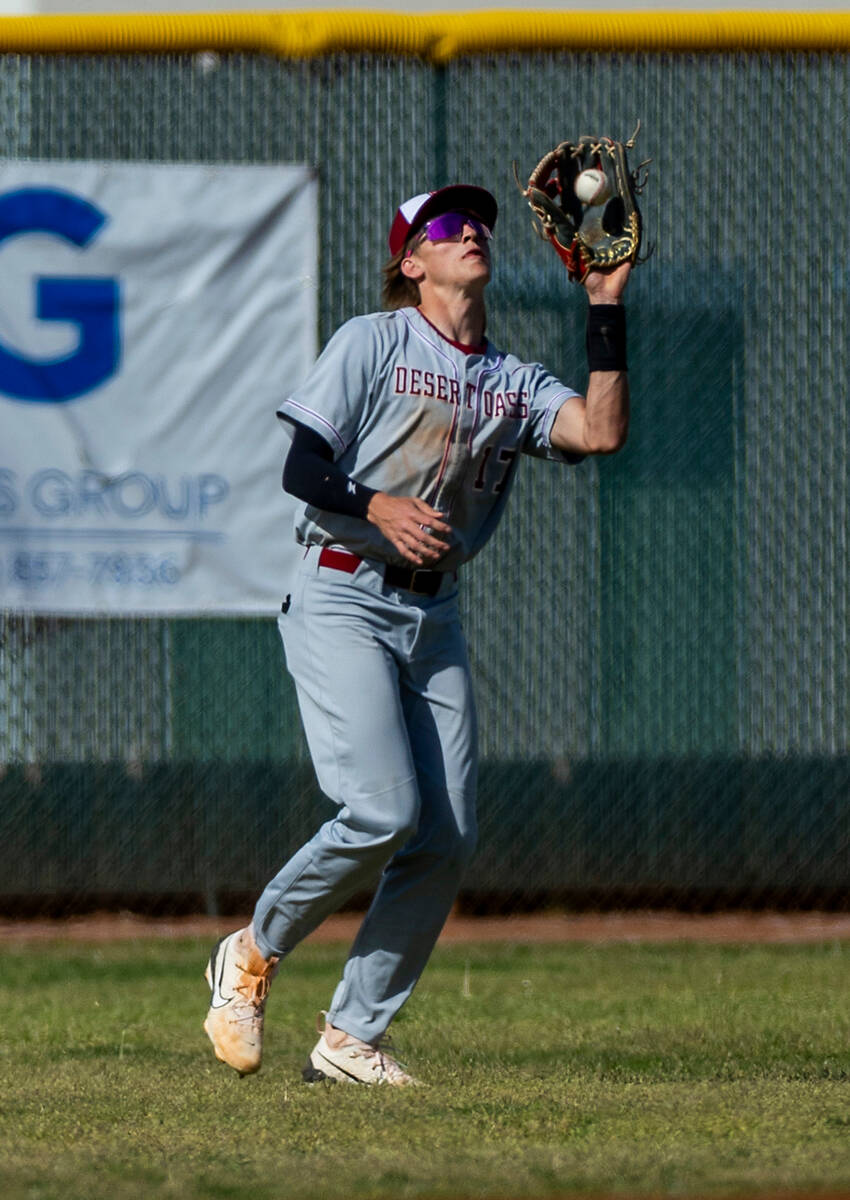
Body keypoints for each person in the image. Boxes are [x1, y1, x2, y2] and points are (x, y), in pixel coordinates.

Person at [203, 184, 630, 1086]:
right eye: (446, 226)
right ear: (413, 262)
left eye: (478, 223)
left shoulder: (511, 378)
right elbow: (301, 464)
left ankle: (350, 1038)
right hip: (343, 590)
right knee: (381, 809)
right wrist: (377, 505)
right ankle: (250, 950)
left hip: (433, 611)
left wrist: (604, 309)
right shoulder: (373, 340)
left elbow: (597, 431)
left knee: (445, 834)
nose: (470, 231)